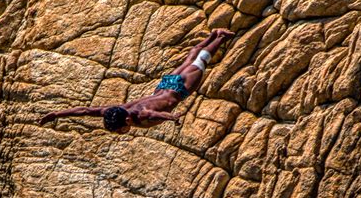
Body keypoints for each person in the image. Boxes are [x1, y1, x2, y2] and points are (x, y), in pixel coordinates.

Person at [39, 28, 235, 133]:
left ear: (125, 121)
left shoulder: (139, 117)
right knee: (189, 60)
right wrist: (56, 114)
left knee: (199, 62)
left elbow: (154, 114)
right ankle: (213, 34)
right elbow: (85, 111)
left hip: (178, 90)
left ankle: (220, 38)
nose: (120, 133)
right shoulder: (117, 109)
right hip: (164, 86)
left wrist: (172, 118)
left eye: (119, 130)